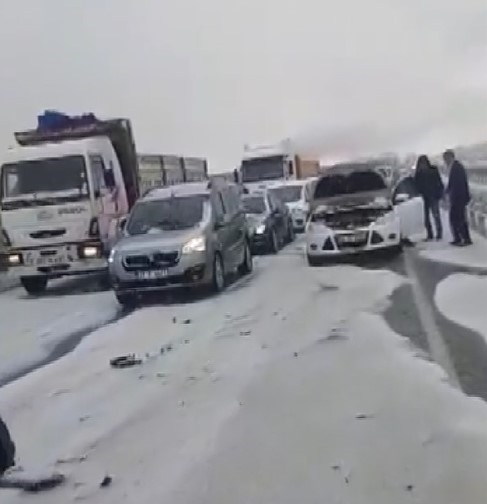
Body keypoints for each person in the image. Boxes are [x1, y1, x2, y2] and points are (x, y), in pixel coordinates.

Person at [443, 149, 472, 246]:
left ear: (450, 157)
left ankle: (463, 238)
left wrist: (450, 192)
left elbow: (458, 184)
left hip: (459, 198)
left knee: (458, 219)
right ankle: (459, 238)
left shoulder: (457, 167)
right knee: (457, 218)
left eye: (445, 158)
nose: (445, 161)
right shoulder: (455, 167)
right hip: (457, 197)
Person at [414, 155, 444, 240]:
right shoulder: (419, 173)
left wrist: (439, 194)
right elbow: (416, 185)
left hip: (433, 196)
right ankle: (430, 234)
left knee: (436, 215)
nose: (422, 165)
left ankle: (439, 233)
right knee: (426, 217)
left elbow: (439, 182)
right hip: (424, 197)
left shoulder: (433, 170)